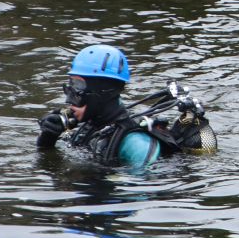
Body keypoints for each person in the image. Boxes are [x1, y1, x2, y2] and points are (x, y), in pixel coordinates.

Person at [37, 43, 216, 166]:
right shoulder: (93, 126)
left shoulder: (136, 144)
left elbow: (141, 194)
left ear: (102, 93)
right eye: (69, 87)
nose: (69, 100)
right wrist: (48, 138)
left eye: (78, 90)